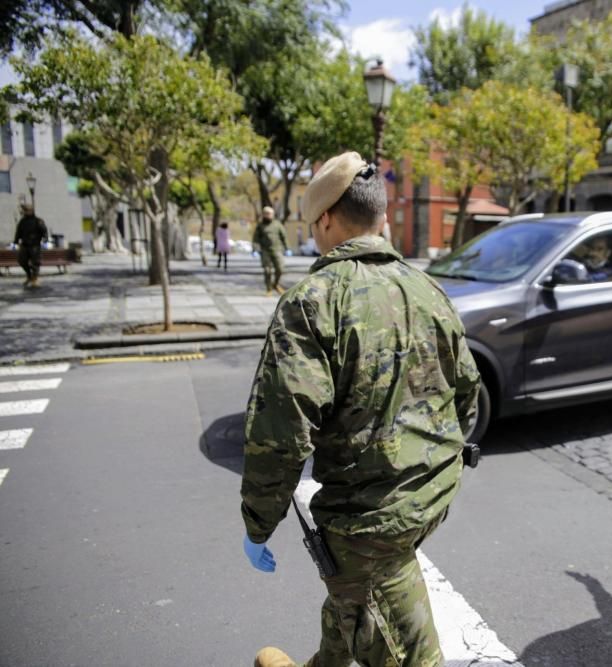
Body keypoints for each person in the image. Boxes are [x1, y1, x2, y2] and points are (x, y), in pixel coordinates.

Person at [241, 151, 480, 667]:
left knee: (390, 628)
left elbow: (279, 435)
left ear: (325, 219)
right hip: (430, 500)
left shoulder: (313, 301)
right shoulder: (429, 290)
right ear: (383, 218)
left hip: (370, 526)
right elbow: (467, 396)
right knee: (354, 604)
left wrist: (258, 524)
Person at [252, 206, 288, 294]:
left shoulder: (277, 224)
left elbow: (284, 236)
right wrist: (255, 250)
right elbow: (255, 239)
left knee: (280, 269)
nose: (268, 215)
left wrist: (287, 248)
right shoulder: (260, 226)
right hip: (265, 251)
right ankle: (269, 288)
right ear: (263, 215)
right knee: (267, 270)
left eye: (270, 214)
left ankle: (275, 284)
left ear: (273, 214)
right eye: (266, 214)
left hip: (277, 249)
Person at [13, 202, 48, 288]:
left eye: (26, 210)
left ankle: (34, 279)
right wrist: (16, 241)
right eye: (24, 210)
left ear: (31, 211)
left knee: (35, 263)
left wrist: (45, 239)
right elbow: (18, 232)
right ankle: (29, 276)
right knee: (22, 261)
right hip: (25, 245)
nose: (25, 212)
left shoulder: (38, 221)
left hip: (35, 245)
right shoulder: (22, 221)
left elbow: (44, 231)